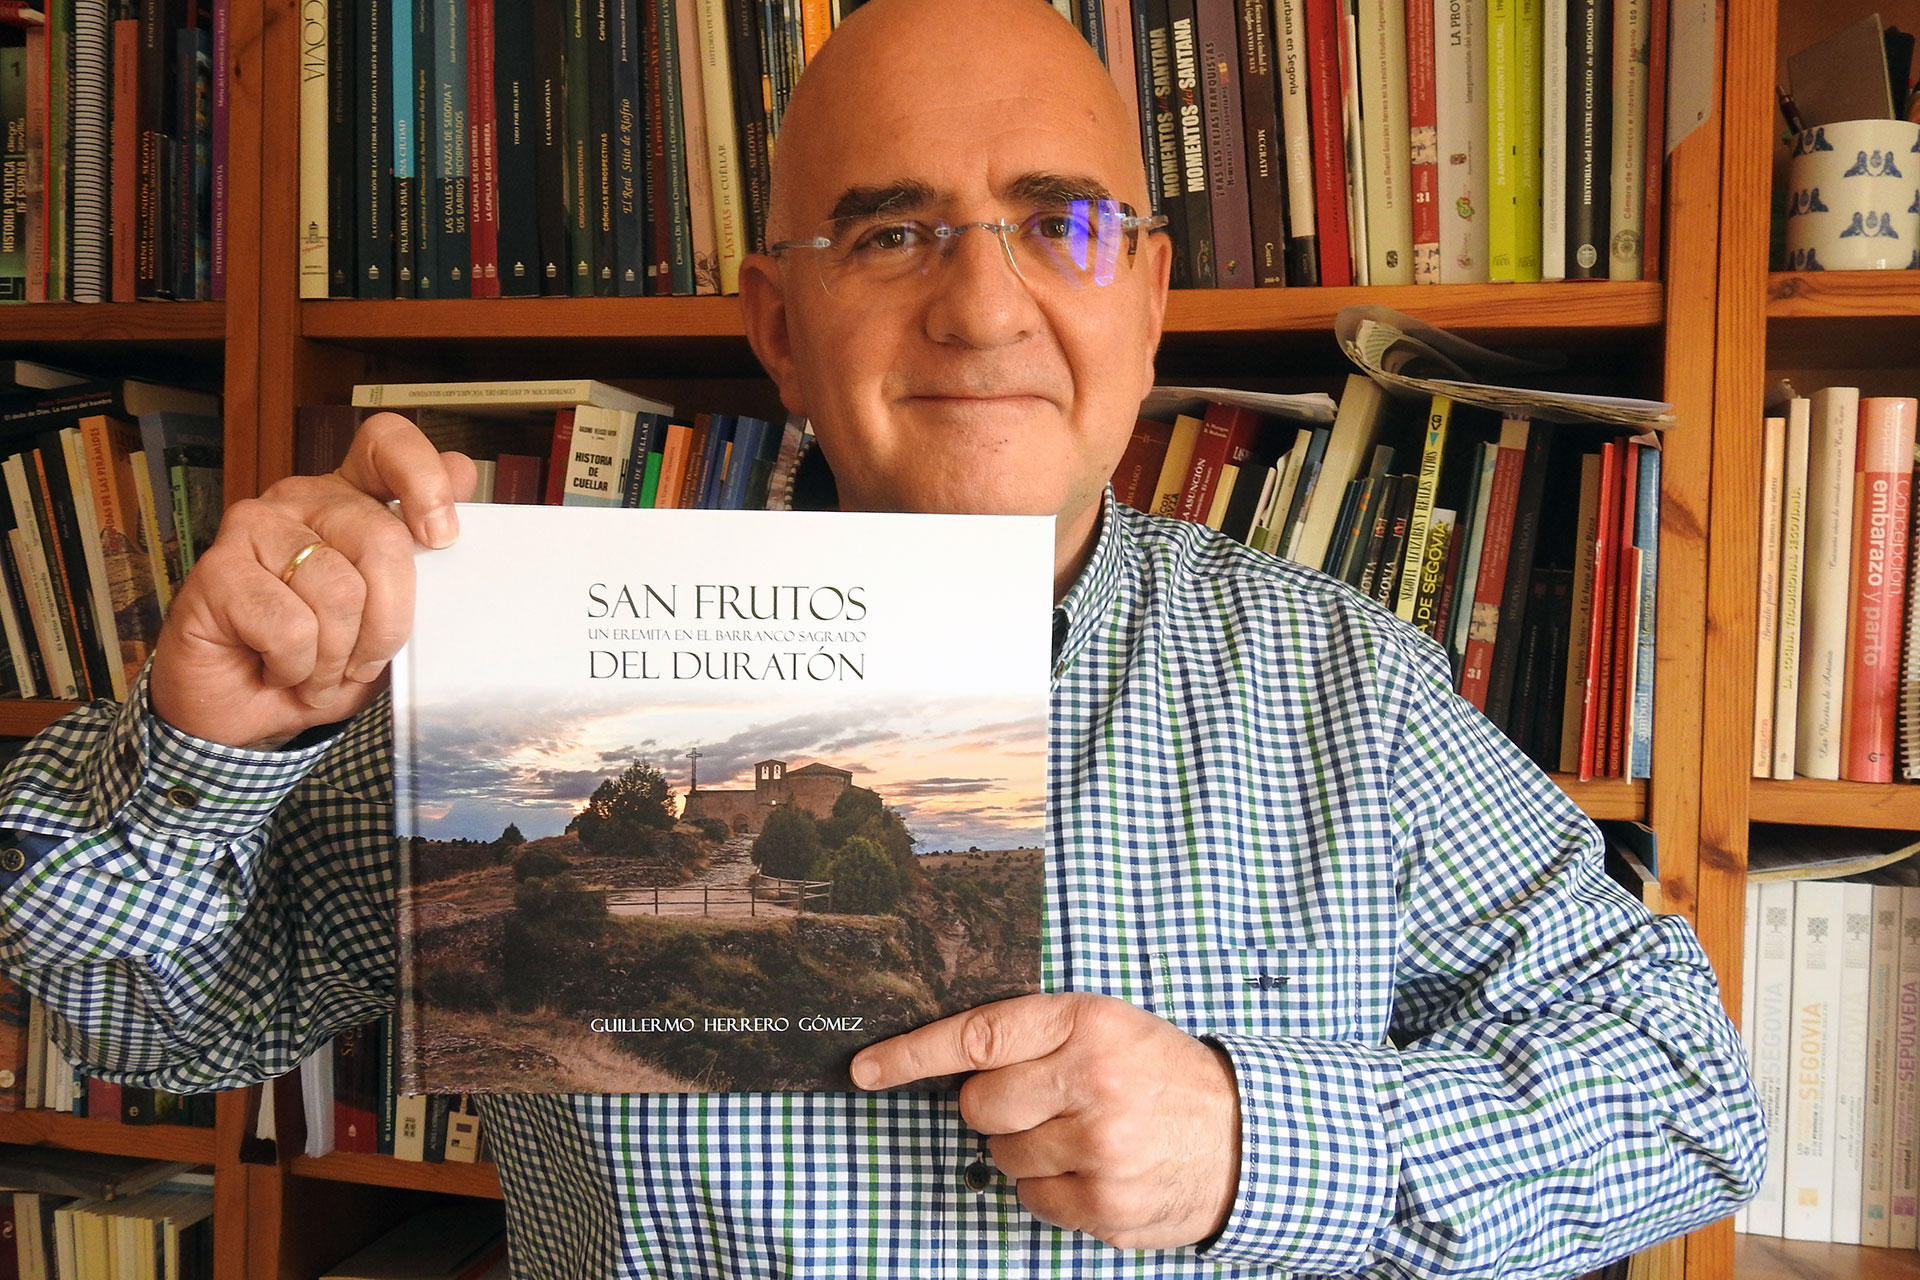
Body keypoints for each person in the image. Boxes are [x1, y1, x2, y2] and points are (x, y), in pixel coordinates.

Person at [0, 0, 1762, 1274]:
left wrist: (1256, 1140)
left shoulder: (1346, 693)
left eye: (1061, 225)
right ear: (779, 320)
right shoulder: (540, 650)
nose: (985, 302)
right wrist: (222, 742)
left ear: (1144, 295)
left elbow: (1687, 1097)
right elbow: (141, 1019)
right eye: (893, 229)